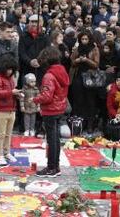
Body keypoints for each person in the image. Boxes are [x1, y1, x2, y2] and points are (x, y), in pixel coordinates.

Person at [32, 47, 70, 177]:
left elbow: (47, 97)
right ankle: (56, 166)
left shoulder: (49, 75)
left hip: (50, 110)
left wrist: (35, 99)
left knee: (52, 140)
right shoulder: (62, 71)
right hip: (60, 108)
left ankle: (51, 168)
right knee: (56, 139)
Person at [0, 55, 21, 166]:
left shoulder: (11, 79)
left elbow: (10, 92)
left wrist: (17, 95)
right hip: (2, 110)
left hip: (11, 109)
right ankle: (0, 155)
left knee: (9, 133)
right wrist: (12, 92)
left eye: (12, 69)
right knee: (1, 134)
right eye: (8, 69)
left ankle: (7, 152)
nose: (10, 71)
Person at [20, 73, 40, 137]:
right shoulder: (24, 89)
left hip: (34, 107)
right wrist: (22, 106)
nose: (33, 83)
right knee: (26, 119)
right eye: (31, 82)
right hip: (26, 107)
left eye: (34, 82)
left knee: (33, 120)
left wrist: (38, 106)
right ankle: (26, 130)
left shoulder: (36, 89)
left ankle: (32, 129)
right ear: (27, 82)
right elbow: (21, 98)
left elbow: (38, 98)